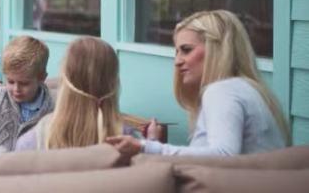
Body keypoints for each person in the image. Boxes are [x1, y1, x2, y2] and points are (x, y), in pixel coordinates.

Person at [107, 10, 290, 158]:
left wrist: (144, 147)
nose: (177, 61)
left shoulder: (222, 91)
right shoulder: (243, 88)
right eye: (177, 52)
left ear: (216, 49)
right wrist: (153, 143)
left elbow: (224, 155)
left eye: (187, 50)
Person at [16, 36, 135, 151]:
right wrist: (151, 141)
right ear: (114, 83)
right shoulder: (129, 144)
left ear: (64, 82)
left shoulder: (32, 142)